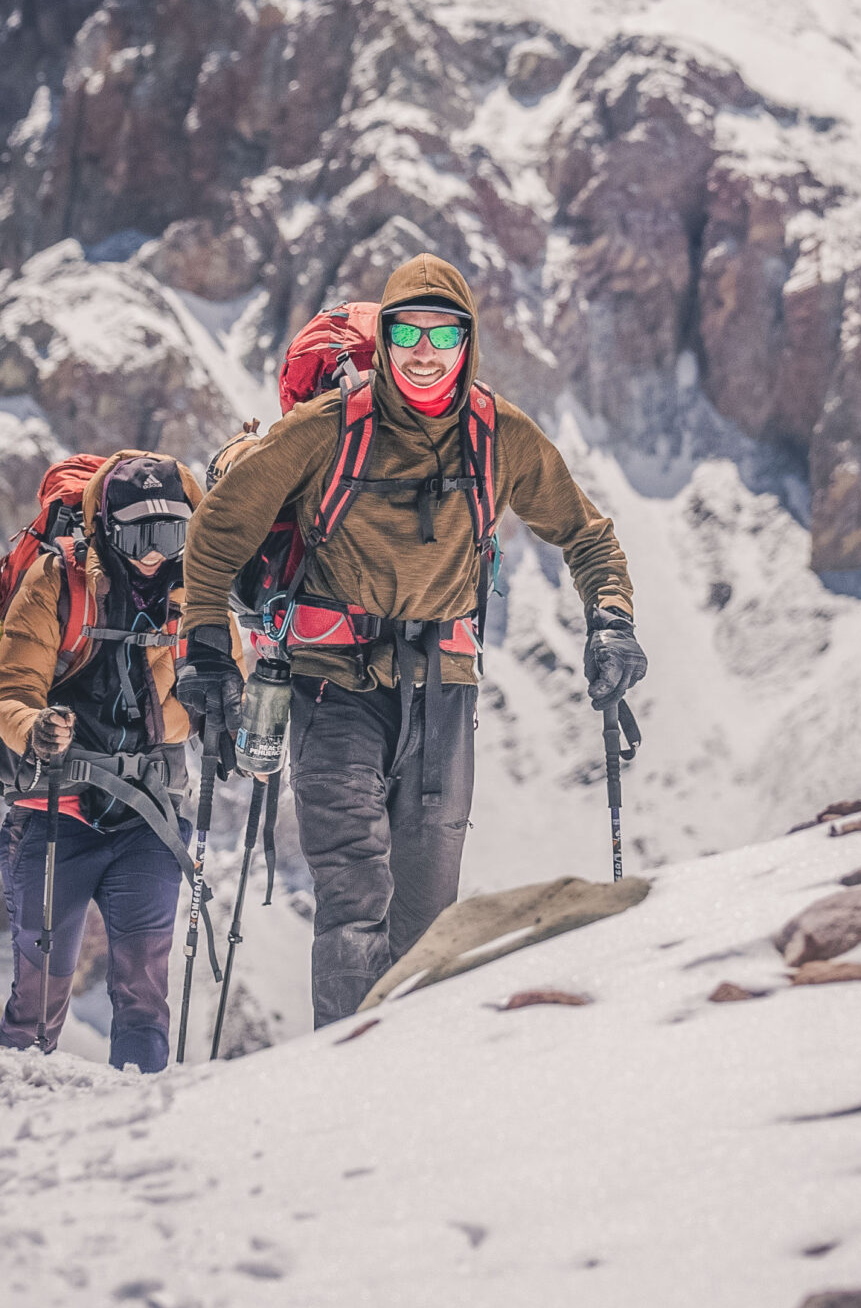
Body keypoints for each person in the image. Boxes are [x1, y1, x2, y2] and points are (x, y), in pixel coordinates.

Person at [178, 254, 647, 1027]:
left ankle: (411, 1106)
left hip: (443, 694)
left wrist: (613, 619)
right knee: (356, 904)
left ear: (467, 345)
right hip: (333, 685)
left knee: (429, 923)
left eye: (443, 334)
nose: (424, 353)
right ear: (386, 340)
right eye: (406, 333)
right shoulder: (329, 428)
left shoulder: (500, 437)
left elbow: (587, 534)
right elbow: (222, 525)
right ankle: (345, 1090)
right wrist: (203, 644)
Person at [0, 449, 203, 1071]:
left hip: (148, 817)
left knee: (144, 993)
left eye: (170, 533)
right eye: (139, 534)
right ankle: (7, 1116)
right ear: (106, 529)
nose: (155, 552)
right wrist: (35, 729)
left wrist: (233, 719)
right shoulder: (57, 582)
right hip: (54, 811)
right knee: (40, 996)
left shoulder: (195, 593)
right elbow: (8, 691)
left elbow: (220, 686)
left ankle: (142, 1128)